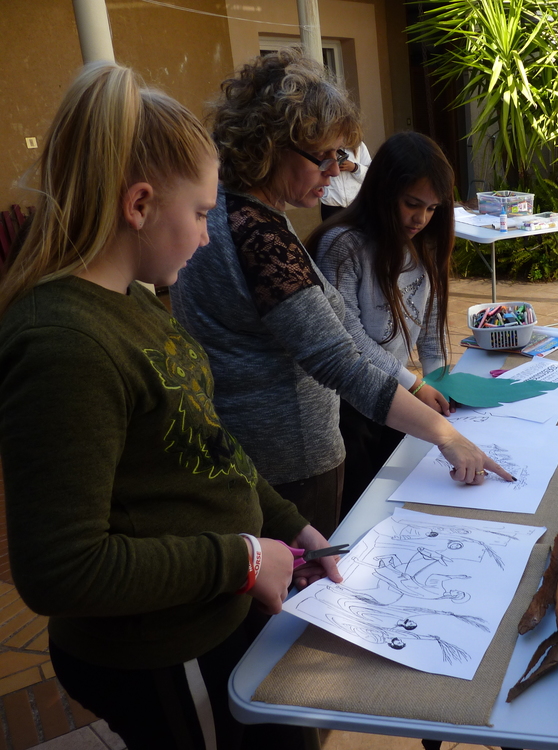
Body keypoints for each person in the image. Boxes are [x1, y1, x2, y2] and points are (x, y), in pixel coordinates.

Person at [0, 62, 338, 749]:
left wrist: (289, 525)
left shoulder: (136, 305)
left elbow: (207, 445)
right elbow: (61, 570)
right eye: (202, 214)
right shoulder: (65, 344)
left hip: (211, 617)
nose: (209, 235)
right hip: (160, 653)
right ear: (140, 205)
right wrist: (242, 559)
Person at [171, 50, 511, 540]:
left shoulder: (232, 212)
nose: (335, 171)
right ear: (272, 146)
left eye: (341, 156)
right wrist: (446, 436)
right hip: (287, 463)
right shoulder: (258, 235)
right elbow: (337, 358)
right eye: (324, 156)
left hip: (257, 455)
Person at [307, 131, 455, 519]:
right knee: (360, 508)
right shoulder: (342, 245)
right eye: (412, 204)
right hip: (348, 405)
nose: (421, 218)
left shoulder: (426, 242)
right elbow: (349, 338)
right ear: (383, 191)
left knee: (402, 497)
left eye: (432, 208)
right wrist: (415, 385)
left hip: (397, 396)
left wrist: (441, 383)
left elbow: (431, 328)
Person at [320, 140, 371, 221]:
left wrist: (355, 168)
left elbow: (370, 176)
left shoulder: (359, 145)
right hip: (331, 203)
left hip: (354, 204)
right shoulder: (325, 144)